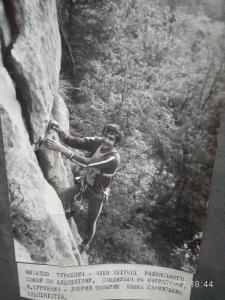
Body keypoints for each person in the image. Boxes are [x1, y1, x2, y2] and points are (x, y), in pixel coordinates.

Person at [44, 122, 122, 252]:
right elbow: (76, 142)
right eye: (106, 136)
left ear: (116, 143)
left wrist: (60, 148)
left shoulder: (113, 159)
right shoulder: (97, 142)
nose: (106, 141)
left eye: (111, 139)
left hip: (98, 193)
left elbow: (87, 164)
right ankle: (69, 212)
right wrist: (61, 132)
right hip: (85, 184)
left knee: (91, 221)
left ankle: (85, 244)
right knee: (64, 196)